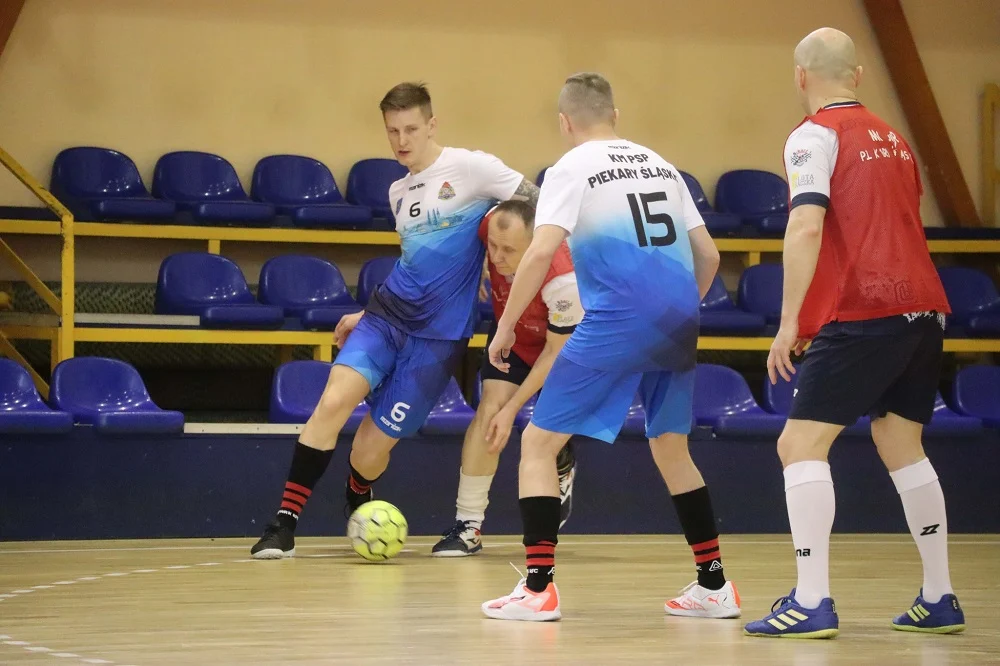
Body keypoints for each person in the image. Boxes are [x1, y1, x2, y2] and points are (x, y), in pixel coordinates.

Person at [481, 72, 738, 622]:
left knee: (539, 444)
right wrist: (674, 311)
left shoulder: (569, 168)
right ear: (615, 116)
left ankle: (537, 589)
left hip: (618, 317)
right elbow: (711, 256)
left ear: (565, 123)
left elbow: (539, 252)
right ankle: (715, 585)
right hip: (679, 318)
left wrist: (504, 327)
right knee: (671, 447)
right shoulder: (662, 165)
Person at [250, 82, 539, 559]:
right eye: (392, 131)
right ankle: (283, 525)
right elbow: (415, 263)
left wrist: (507, 265)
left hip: (438, 340)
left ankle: (357, 493)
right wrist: (365, 311)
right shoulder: (397, 191)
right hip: (386, 316)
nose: (402, 141)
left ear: (432, 125)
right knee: (332, 402)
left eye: (411, 129)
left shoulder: (473, 168)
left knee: (368, 451)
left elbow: (540, 207)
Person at [743, 28, 964, 638]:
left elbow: (807, 226)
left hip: (865, 310)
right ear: (859, 76)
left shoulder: (813, 135)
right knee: (902, 444)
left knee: (799, 446)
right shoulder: (895, 139)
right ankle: (939, 596)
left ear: (800, 77)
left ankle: (811, 600)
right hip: (925, 308)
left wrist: (789, 321)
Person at [432, 200, 582, 557]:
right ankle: (468, 526)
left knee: (541, 427)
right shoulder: (492, 225)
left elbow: (554, 353)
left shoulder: (563, 281)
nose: (497, 258)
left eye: (509, 251)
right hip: (511, 336)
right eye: (493, 247)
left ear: (536, 245)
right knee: (489, 411)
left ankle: (562, 461)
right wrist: (475, 267)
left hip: (565, 347)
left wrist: (513, 408)